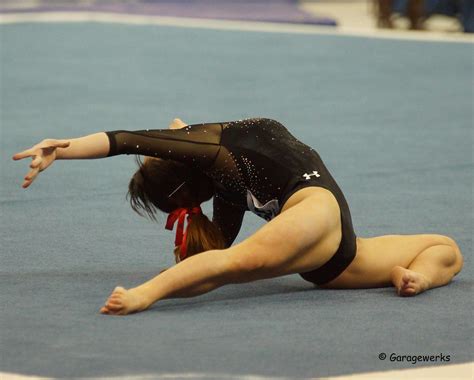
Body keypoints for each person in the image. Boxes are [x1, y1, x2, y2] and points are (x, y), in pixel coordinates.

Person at [12, 118, 463, 316]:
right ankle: (415, 278)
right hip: (336, 247)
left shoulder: (213, 154)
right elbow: (216, 252)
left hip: (317, 218)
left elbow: (126, 140)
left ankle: (142, 296)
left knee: (446, 251)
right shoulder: (227, 188)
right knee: (224, 265)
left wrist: (63, 148)